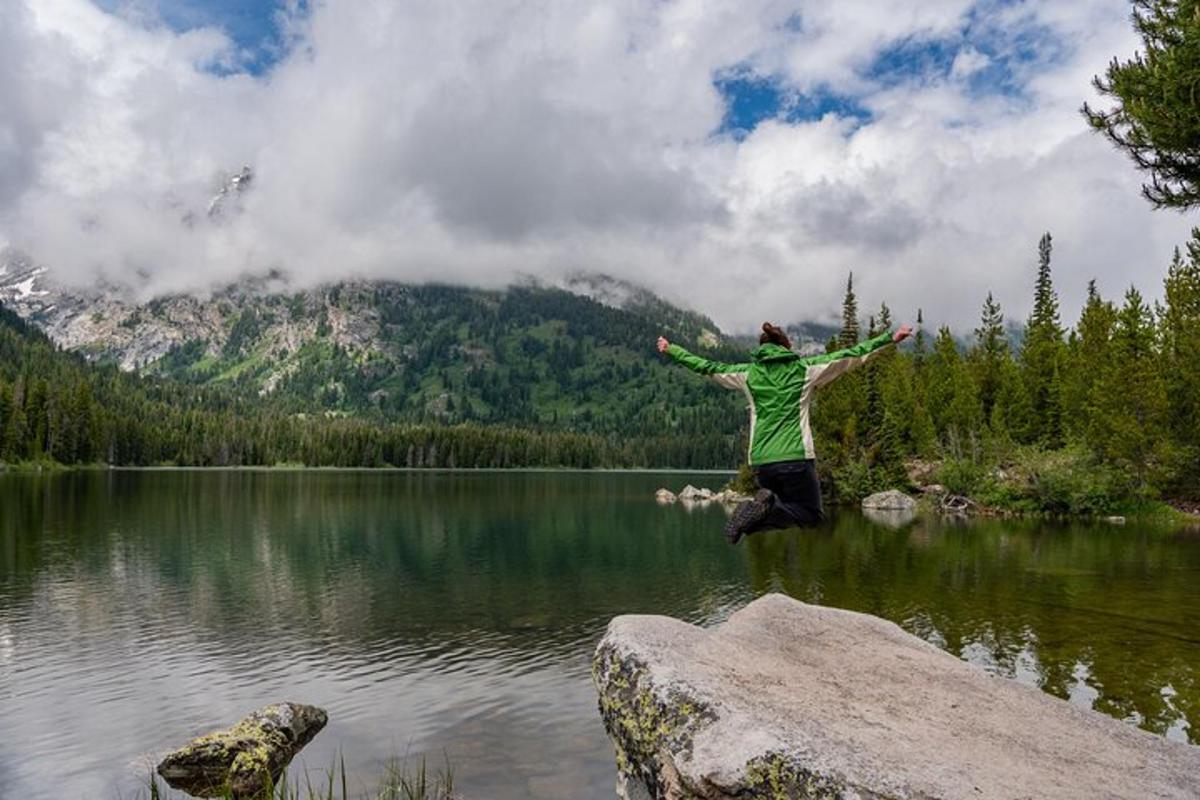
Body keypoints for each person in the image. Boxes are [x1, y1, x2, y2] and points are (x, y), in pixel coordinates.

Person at [657, 321, 913, 544]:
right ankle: (756, 511)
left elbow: (707, 366)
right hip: (796, 458)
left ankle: (753, 510)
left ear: (763, 349)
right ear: (787, 347)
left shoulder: (748, 374)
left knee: (772, 509)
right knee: (811, 516)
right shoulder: (803, 369)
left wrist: (673, 350)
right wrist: (889, 339)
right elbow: (850, 356)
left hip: (763, 463)